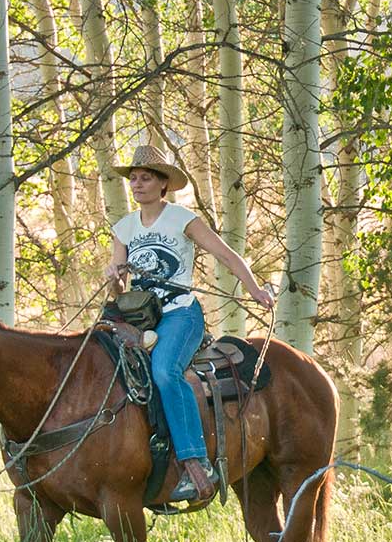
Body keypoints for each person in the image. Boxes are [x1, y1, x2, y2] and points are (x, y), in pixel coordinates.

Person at [104, 145, 274, 503]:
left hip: (180, 314)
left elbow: (226, 254)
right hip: (140, 318)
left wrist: (254, 288)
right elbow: (120, 289)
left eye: (145, 177)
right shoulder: (124, 228)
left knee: (166, 372)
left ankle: (196, 464)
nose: (136, 184)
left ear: (163, 183)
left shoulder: (181, 218)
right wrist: (113, 277)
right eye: (133, 178)